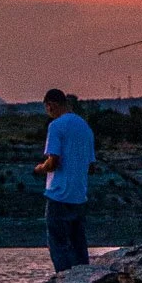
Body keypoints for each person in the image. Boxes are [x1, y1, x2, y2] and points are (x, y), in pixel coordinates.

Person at [35, 88, 96, 271]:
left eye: (47, 108)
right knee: (78, 244)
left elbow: (53, 162)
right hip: (79, 195)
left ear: (51, 105)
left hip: (58, 195)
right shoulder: (85, 126)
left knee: (58, 244)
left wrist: (40, 168)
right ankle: (83, 282)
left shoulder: (56, 126)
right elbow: (91, 166)